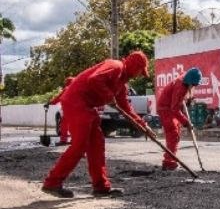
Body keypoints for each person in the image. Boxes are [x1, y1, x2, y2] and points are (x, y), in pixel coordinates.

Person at [41, 51, 153, 198]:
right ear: (134, 65)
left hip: (87, 106)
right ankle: (52, 183)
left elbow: (126, 108)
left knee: (97, 144)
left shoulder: (122, 85)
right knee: (80, 145)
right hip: (76, 101)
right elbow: (94, 79)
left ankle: (101, 187)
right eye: (140, 71)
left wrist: (143, 126)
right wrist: (108, 96)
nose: (139, 75)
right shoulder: (116, 66)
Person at [156, 67, 202, 171]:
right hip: (165, 109)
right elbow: (174, 108)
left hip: (170, 108)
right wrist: (186, 122)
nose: (195, 86)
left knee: (176, 134)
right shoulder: (180, 87)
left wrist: (187, 100)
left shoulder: (185, 81)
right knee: (173, 134)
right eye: (194, 84)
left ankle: (171, 160)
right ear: (190, 82)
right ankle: (169, 163)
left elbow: (180, 101)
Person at [45, 76, 74, 146]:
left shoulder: (67, 89)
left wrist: (49, 103)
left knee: (64, 125)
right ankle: (74, 140)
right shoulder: (78, 88)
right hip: (77, 109)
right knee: (73, 125)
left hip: (68, 109)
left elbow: (58, 98)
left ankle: (63, 140)